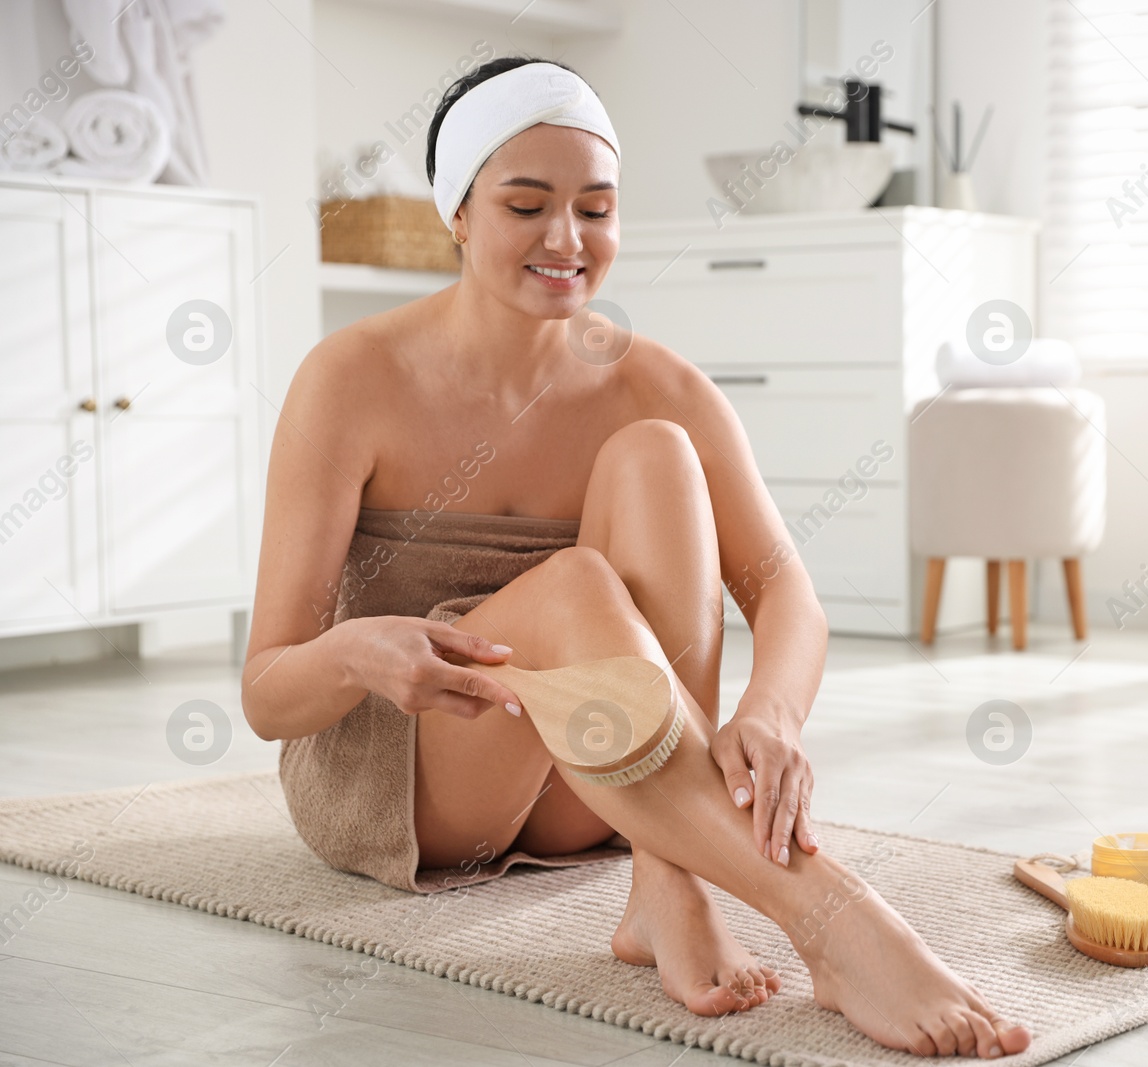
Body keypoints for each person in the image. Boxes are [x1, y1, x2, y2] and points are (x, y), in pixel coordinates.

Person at [239, 56, 1030, 1059]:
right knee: (572, 582)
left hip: (594, 777)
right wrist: (356, 651)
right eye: (526, 204)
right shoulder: (349, 379)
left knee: (657, 455)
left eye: (597, 209)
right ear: (458, 215)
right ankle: (841, 920)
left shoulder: (654, 383)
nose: (567, 241)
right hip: (407, 784)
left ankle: (667, 876)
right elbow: (267, 691)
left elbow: (786, 592)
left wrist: (769, 715)